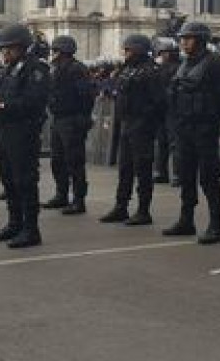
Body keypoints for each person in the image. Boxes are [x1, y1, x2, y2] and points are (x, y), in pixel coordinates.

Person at [162, 22, 220, 244]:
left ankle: (216, 225)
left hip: (204, 128)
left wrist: (210, 116)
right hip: (184, 127)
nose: (184, 42)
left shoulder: (215, 65)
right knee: (185, 175)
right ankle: (186, 220)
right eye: (183, 38)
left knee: (209, 177)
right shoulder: (184, 64)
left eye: (189, 38)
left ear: (201, 40)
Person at [0, 23, 50, 248]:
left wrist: (1, 107)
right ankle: (14, 223)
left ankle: (31, 230)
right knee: (8, 180)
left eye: (10, 48)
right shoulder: (7, 70)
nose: (5, 52)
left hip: (23, 132)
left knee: (25, 181)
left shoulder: (35, 69)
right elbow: (0, 95)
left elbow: (32, 103)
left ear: (22, 47)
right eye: (4, 49)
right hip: (5, 130)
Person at [99, 34, 167, 226]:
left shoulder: (151, 71)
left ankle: (143, 210)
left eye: (129, 50)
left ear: (138, 50)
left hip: (142, 125)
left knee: (143, 169)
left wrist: (146, 117)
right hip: (127, 123)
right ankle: (121, 206)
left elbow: (159, 102)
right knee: (125, 168)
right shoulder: (128, 70)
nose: (125, 53)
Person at [43, 35, 96, 214]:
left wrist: (82, 118)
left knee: (74, 161)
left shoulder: (77, 69)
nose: (53, 54)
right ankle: (61, 194)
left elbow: (87, 96)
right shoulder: (56, 69)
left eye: (56, 51)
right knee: (57, 160)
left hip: (72, 120)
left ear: (65, 51)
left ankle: (79, 200)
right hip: (58, 119)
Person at [153, 37, 180, 185]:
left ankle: (177, 173)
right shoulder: (160, 68)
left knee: (174, 142)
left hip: (173, 109)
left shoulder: (178, 68)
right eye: (161, 53)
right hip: (162, 109)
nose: (162, 56)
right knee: (161, 141)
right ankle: (160, 172)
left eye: (165, 53)